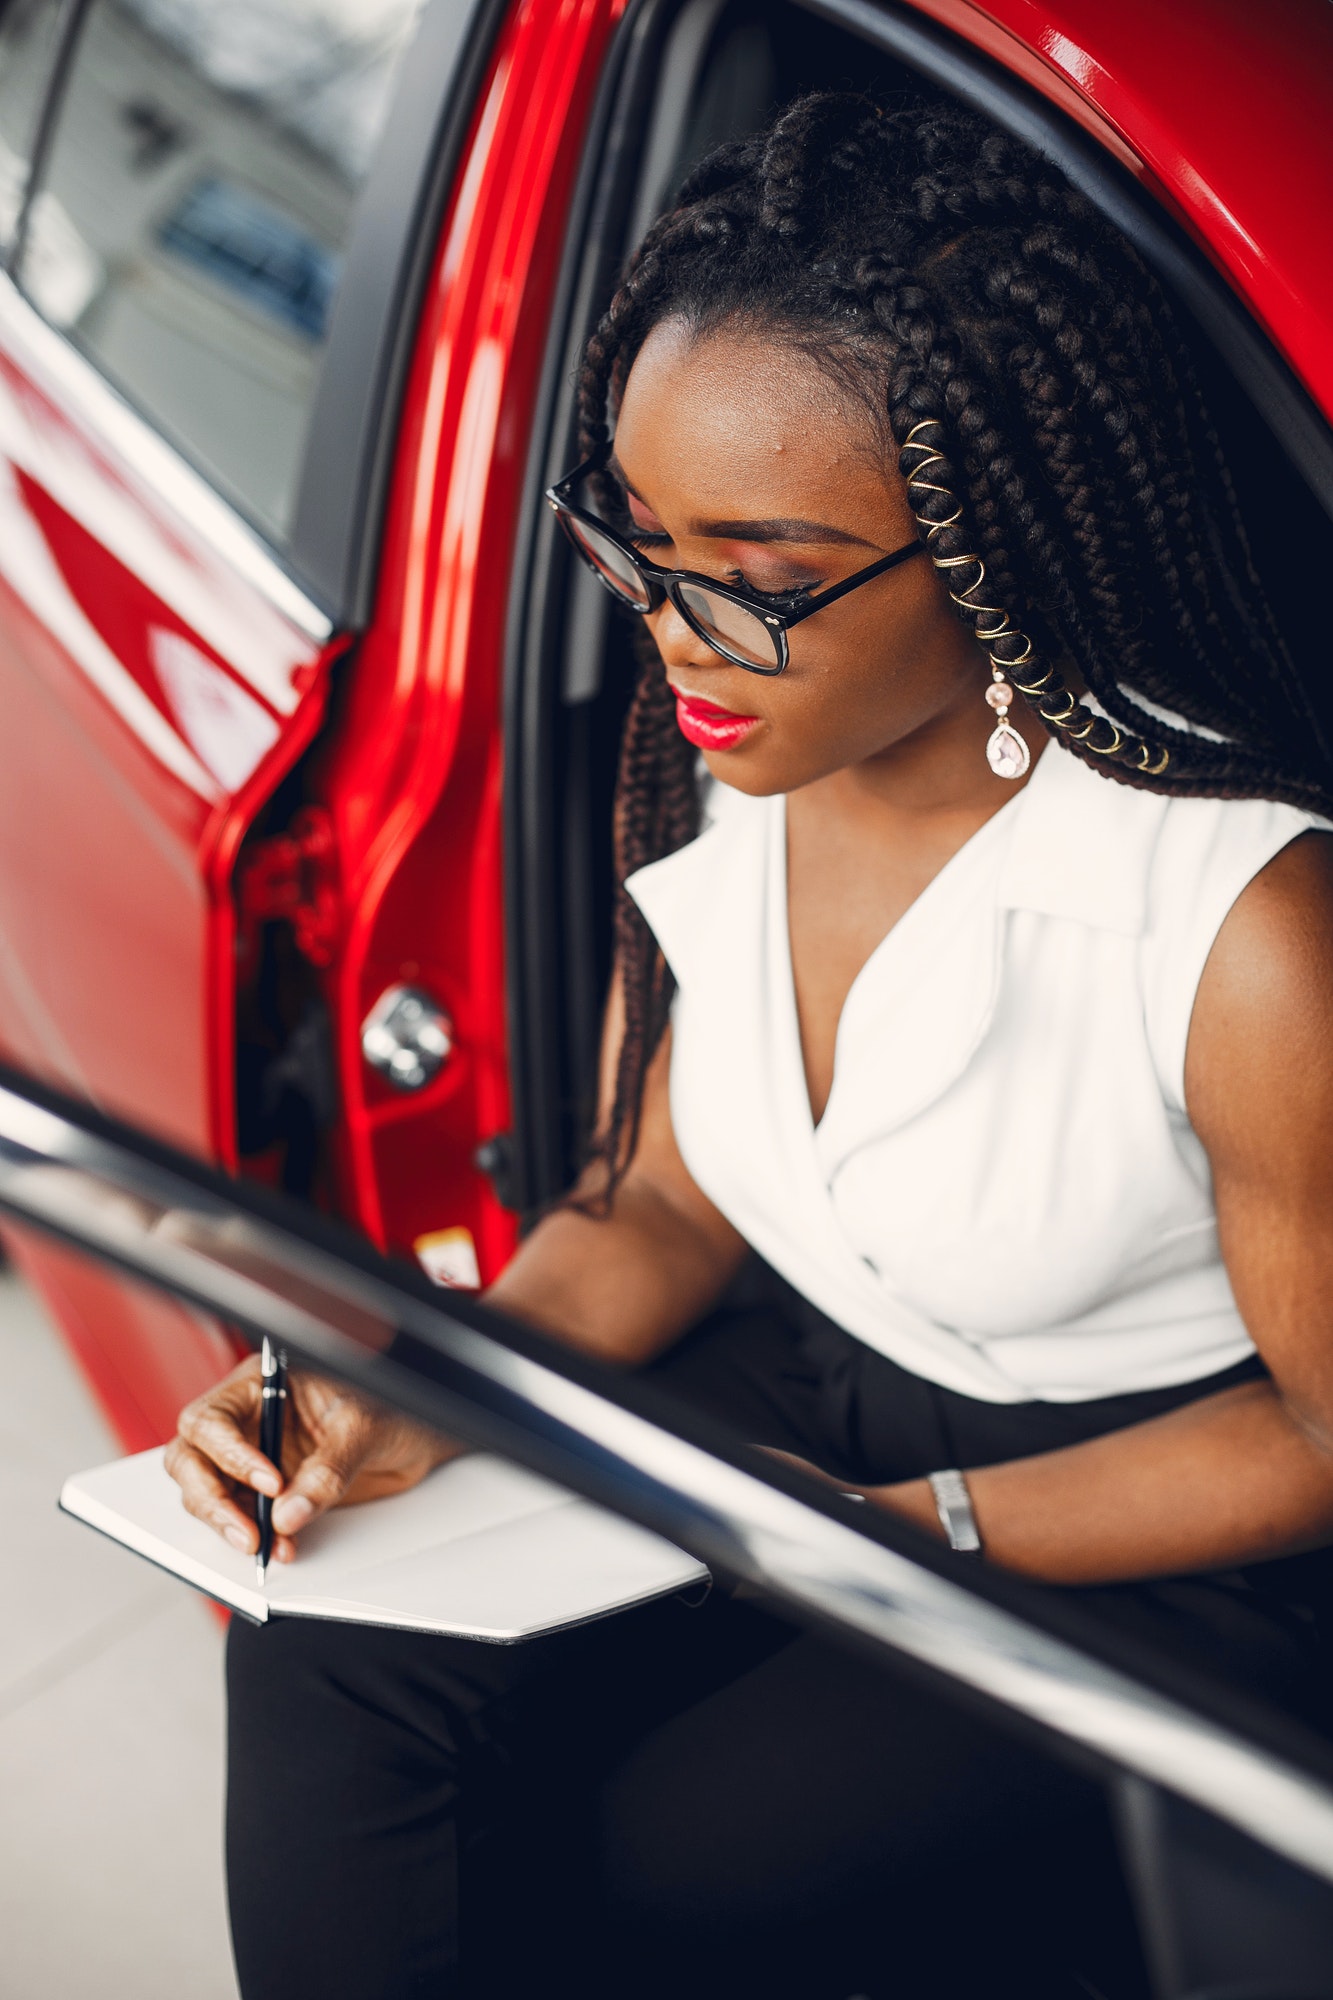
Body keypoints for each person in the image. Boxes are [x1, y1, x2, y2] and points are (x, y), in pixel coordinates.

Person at [165, 94, 1333, 1999]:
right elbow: (655, 1211)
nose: (668, 633)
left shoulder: (1240, 924)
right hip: (794, 1394)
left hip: (1145, 1513)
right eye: (636, 539)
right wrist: (410, 1390)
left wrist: (900, 1529)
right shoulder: (730, 760)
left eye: (757, 579)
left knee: (655, 1868)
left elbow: (1323, 1434)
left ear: (991, 540)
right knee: (321, 1663)